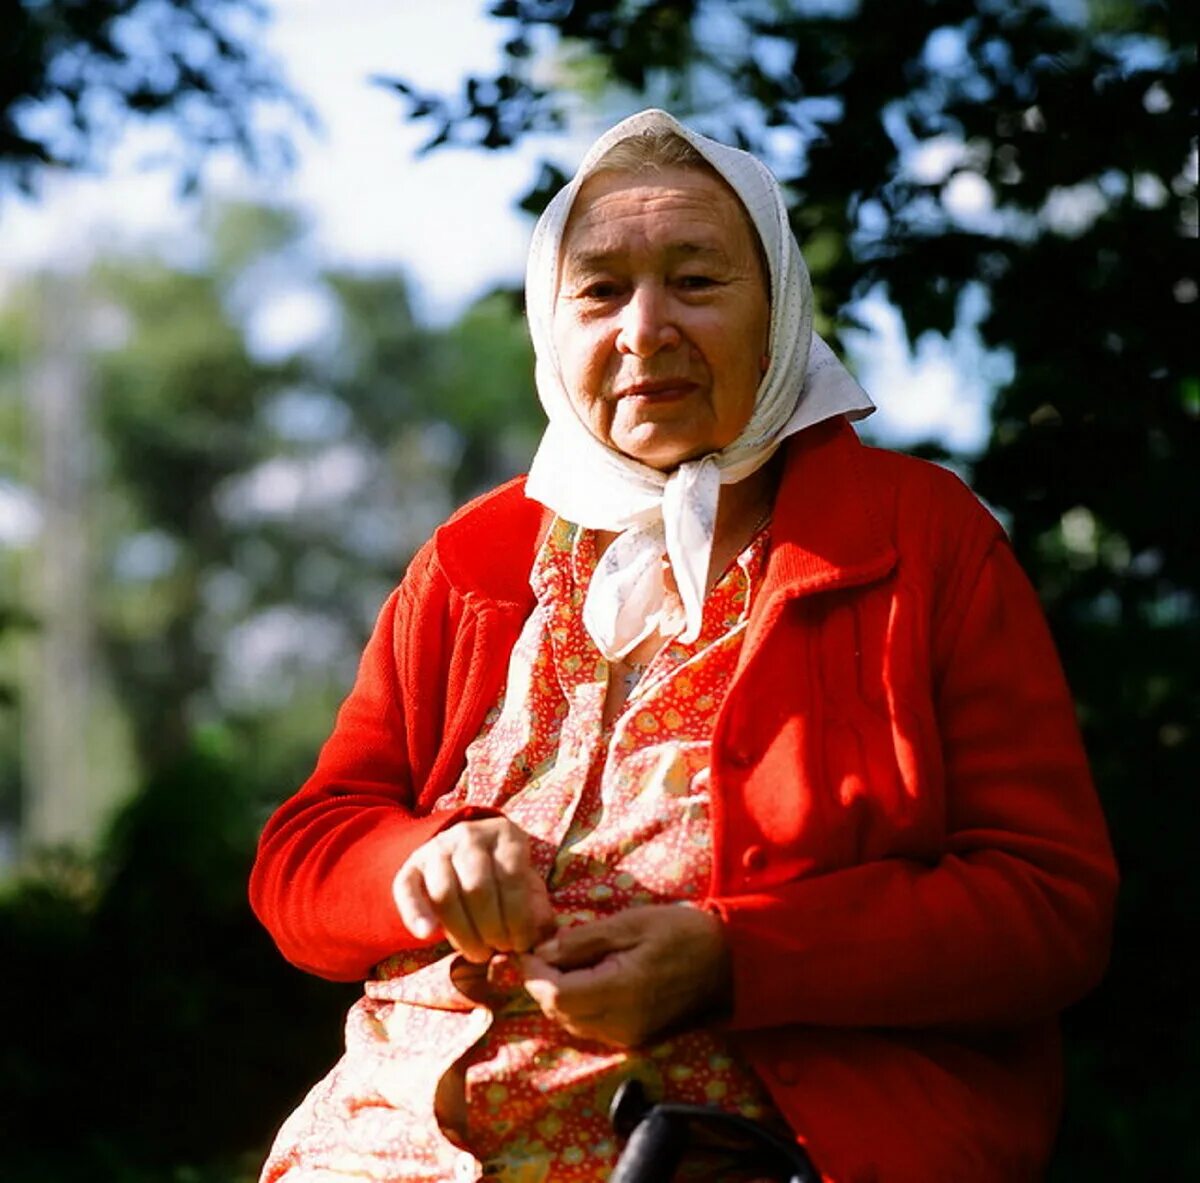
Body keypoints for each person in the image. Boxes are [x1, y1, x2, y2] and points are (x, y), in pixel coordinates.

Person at [249, 109, 1117, 1182]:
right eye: (601, 289)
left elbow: (1049, 907)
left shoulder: (922, 540)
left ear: (780, 315)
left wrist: (733, 959)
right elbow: (301, 862)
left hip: (743, 1148)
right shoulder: (475, 559)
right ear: (550, 323)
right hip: (389, 1141)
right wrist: (422, 866)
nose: (644, 327)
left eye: (697, 283)